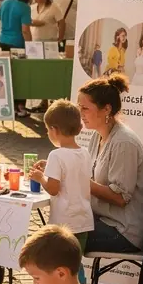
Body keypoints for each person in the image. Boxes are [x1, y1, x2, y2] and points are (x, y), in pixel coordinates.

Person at [78, 74, 143, 254]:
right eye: (79, 107)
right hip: (104, 220)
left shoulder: (123, 142)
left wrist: (80, 181)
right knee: (60, 228)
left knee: (61, 241)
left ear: (106, 109)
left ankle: (74, 282)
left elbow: (120, 198)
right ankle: (73, 281)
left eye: (85, 108)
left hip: (125, 231)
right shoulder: (97, 135)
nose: (80, 114)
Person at [29, 101, 93, 253]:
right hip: (83, 220)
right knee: (75, 263)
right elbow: (72, 174)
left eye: (47, 130)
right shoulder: (84, 153)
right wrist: (49, 168)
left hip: (63, 222)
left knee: (60, 262)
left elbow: (52, 189)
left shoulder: (56, 155)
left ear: (54, 130)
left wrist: (40, 177)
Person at [0, 0, 33, 117]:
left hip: (2, 41)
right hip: (18, 44)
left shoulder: (5, 2)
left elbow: (0, 18)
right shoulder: (25, 7)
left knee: (7, 74)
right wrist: (30, 45)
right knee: (21, 76)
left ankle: (8, 104)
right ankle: (20, 107)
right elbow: (25, 30)